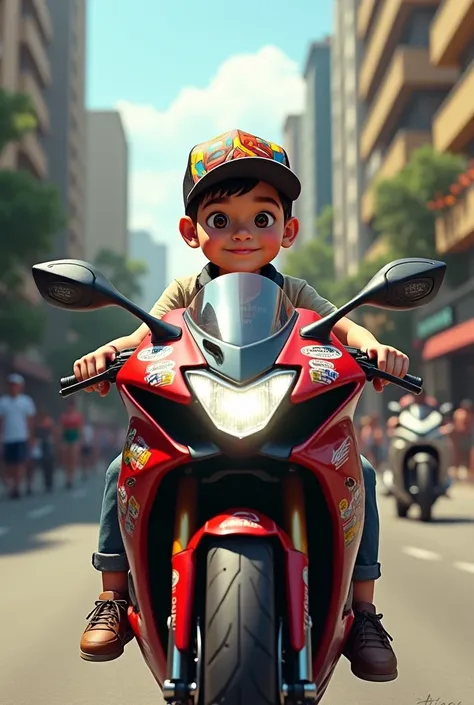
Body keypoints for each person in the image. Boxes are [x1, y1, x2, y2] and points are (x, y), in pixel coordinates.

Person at [73, 129, 410, 682]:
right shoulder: (183, 292)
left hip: (282, 414)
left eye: (262, 218)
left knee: (363, 473)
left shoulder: (296, 291)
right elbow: (142, 338)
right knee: (121, 468)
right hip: (201, 415)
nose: (243, 233)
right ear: (191, 231)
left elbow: (341, 324)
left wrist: (372, 345)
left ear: (288, 229)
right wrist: (105, 354)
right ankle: (113, 594)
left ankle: (364, 610)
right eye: (221, 219)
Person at [0, 374, 36, 499]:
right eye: (11, 385)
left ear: (21, 386)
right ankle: (11, 485)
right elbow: (1, 421)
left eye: (16, 385)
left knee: (20, 463)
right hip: (8, 438)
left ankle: (17, 486)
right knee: (10, 464)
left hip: (21, 437)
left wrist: (31, 437)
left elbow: (30, 422)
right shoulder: (3, 402)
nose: (13, 387)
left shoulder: (26, 402)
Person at [59, 398, 83, 489]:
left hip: (74, 439)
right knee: (66, 459)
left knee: (73, 459)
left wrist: (80, 440)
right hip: (66, 438)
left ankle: (71, 478)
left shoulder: (77, 417)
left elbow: (79, 429)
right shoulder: (64, 416)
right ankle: (67, 476)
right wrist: (61, 440)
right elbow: (61, 429)